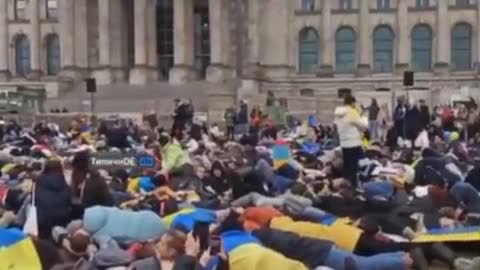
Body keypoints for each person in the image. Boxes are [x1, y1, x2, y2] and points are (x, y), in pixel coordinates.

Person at [334, 95, 368, 187]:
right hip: (354, 143)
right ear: (353, 103)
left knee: (347, 166)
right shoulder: (352, 112)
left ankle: (345, 185)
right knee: (354, 167)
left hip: (344, 143)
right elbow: (364, 126)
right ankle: (353, 186)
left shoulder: (338, 114)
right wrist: (363, 115)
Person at [34, 159, 72, 239]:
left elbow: (34, 201)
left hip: (40, 221)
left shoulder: (38, 182)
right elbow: (68, 202)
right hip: (61, 221)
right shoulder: (65, 184)